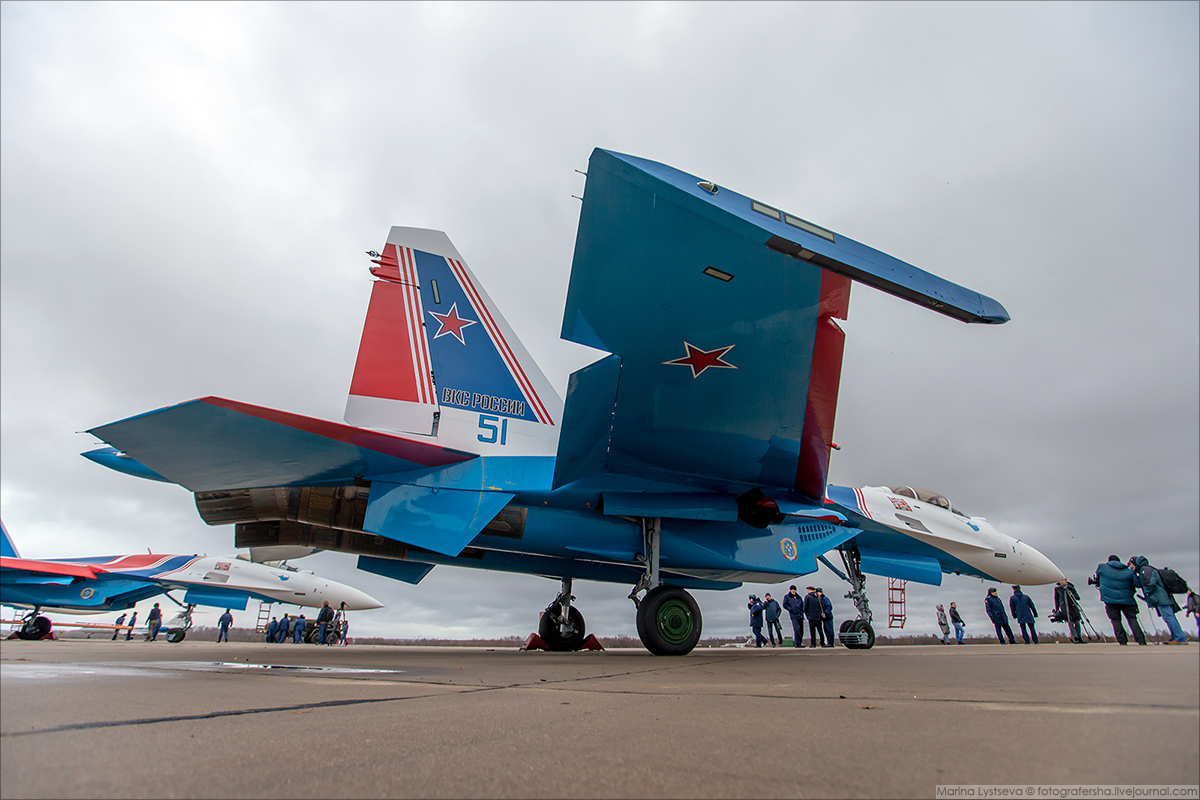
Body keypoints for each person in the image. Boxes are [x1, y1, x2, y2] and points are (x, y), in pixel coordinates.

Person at [1130, 555, 1188, 644]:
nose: (1130, 567)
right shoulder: (1147, 569)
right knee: (1168, 617)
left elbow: (1149, 584)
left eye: (1131, 565)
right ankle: (1177, 636)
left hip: (1160, 598)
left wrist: (1149, 595)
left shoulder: (1145, 570)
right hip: (1162, 597)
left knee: (1169, 617)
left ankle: (1180, 638)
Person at [1093, 554, 1147, 645]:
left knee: (1115, 620)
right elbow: (1137, 584)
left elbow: (1097, 578)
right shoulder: (1129, 572)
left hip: (1110, 600)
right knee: (1132, 619)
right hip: (1127, 599)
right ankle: (1140, 640)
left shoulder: (1102, 568)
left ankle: (1122, 641)